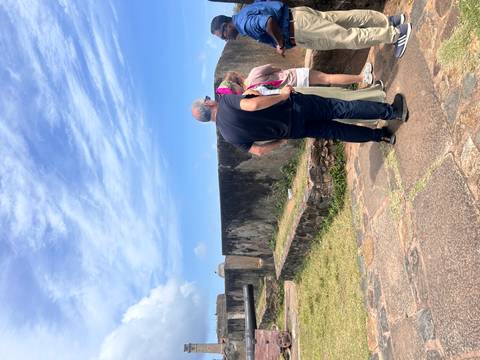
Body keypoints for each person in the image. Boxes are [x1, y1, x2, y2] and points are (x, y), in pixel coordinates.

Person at [191, 86, 408, 156]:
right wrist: (284, 96)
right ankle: (392, 112)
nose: (211, 99)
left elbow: (257, 151)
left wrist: (280, 141)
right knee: (341, 108)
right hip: (294, 107)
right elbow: (253, 105)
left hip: (294, 130)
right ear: (208, 105)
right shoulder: (227, 102)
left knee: (337, 132)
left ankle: (381, 136)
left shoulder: (228, 136)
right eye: (208, 99)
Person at [211, 1, 412, 58]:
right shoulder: (245, 12)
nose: (226, 39)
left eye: (223, 35)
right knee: (347, 19)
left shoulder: (243, 24)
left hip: (298, 29)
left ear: (226, 25)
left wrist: (280, 44)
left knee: (347, 38)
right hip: (297, 15)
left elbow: (267, 22)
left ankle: (396, 34)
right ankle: (389, 21)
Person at [216, 63, 375, 97]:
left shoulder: (252, 94)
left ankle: (363, 92)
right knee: (328, 79)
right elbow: (274, 67)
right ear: (236, 78)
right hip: (296, 76)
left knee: (330, 94)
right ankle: (362, 77)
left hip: (294, 92)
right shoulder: (253, 73)